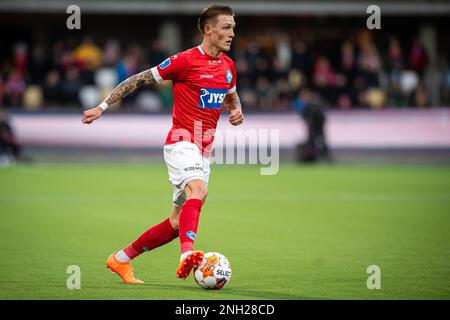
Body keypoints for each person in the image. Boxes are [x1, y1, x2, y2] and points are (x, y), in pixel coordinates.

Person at [82, 5, 243, 284]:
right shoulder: (185, 61)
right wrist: (103, 106)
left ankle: (121, 259)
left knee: (177, 223)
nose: (232, 33)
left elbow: (231, 96)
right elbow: (139, 78)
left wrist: (236, 110)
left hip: (204, 150)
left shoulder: (228, 67)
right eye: (226, 27)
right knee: (199, 190)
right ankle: (186, 256)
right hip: (181, 142)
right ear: (208, 30)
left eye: (233, 27)